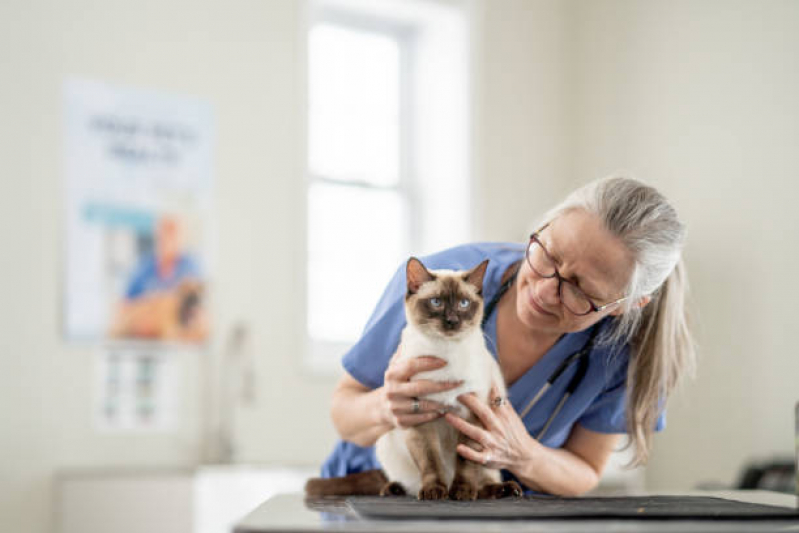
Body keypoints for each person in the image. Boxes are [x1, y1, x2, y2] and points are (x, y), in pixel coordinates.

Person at [320, 176, 696, 496]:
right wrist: (386, 406)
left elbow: (585, 470)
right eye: (548, 254)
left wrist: (524, 456)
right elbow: (344, 412)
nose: (544, 290)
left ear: (624, 305)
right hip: (376, 493)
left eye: (580, 289)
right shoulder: (439, 285)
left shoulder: (623, 352)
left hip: (491, 506)